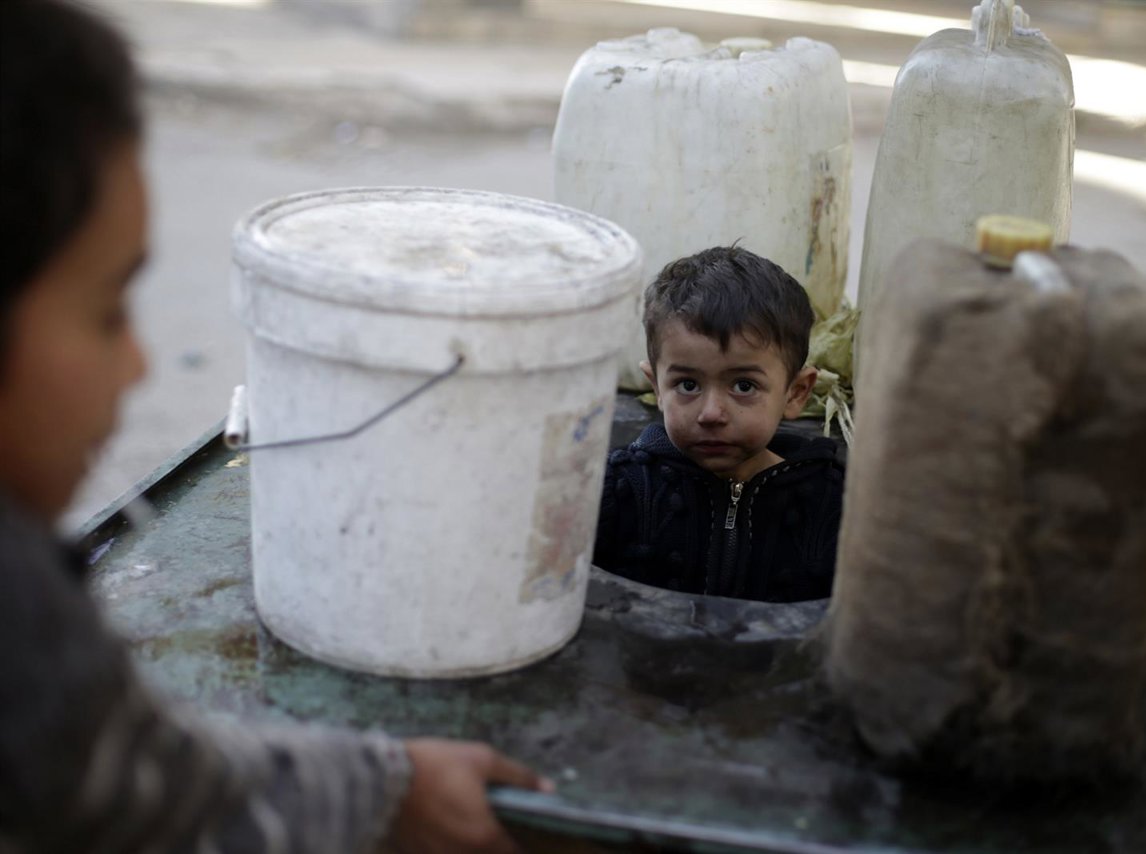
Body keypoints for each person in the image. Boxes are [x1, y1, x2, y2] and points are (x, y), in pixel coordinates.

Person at [0, 2, 549, 851]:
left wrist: (387, 786)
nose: (140, 366)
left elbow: (166, 781)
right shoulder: (24, 636)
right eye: (109, 312)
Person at [593, 246, 845, 603]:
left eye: (744, 386)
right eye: (687, 385)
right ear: (657, 388)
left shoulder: (831, 503)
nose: (711, 413)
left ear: (796, 393)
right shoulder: (617, 491)